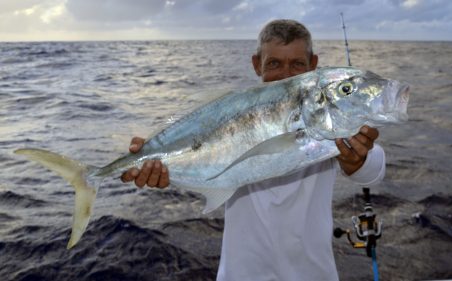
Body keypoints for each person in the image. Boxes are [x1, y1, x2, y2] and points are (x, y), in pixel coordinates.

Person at [121, 19, 385, 281]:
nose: (285, 75)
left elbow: (372, 170)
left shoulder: (325, 116)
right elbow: (193, 142)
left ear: (313, 65)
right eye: (274, 64)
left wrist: (357, 158)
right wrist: (150, 157)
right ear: (256, 64)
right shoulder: (232, 115)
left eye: (297, 64)